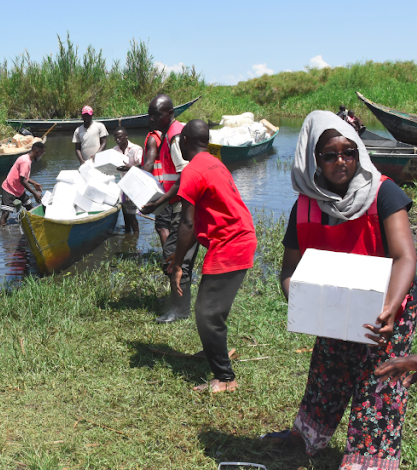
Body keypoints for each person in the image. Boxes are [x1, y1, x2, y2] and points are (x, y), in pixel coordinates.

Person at [267, 110, 416, 469]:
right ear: (313, 158)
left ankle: (369, 460)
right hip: (335, 309)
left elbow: (405, 258)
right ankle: (307, 436)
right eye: (330, 154)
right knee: (326, 373)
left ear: (359, 153)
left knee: (380, 383)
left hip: (387, 309)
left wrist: (390, 309)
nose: (341, 162)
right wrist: (305, 301)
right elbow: (290, 270)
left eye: (349, 152)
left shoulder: (383, 193)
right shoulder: (304, 205)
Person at [168, 119, 257, 393]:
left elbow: (187, 224)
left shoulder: (192, 171)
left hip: (230, 243)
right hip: (242, 237)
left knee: (206, 313)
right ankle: (214, 350)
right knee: (213, 308)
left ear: (184, 141)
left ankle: (225, 378)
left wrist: (176, 263)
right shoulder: (215, 163)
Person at [141, 94, 197, 323]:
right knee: (177, 255)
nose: (151, 119)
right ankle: (179, 302)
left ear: (170, 114)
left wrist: (159, 202)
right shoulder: (169, 134)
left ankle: (180, 309)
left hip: (183, 204)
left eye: (157, 115)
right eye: (150, 114)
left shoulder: (174, 137)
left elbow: (186, 175)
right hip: (178, 202)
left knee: (175, 255)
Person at [0, 142, 45, 226]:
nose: (40, 156)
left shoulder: (27, 159)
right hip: (9, 188)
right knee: (6, 213)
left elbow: (23, 177)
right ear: (36, 151)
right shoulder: (25, 161)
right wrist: (35, 194)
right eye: (41, 154)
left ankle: (34, 224)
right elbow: (23, 181)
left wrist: (34, 183)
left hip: (18, 189)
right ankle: (2, 231)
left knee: (29, 207)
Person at [112, 126, 143, 233]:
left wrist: (130, 168)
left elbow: (143, 166)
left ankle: (136, 236)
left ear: (126, 136)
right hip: (123, 185)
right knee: (126, 213)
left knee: (131, 214)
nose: (117, 140)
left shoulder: (136, 149)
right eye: (115, 138)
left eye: (120, 137)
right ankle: (128, 234)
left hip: (135, 185)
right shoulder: (114, 151)